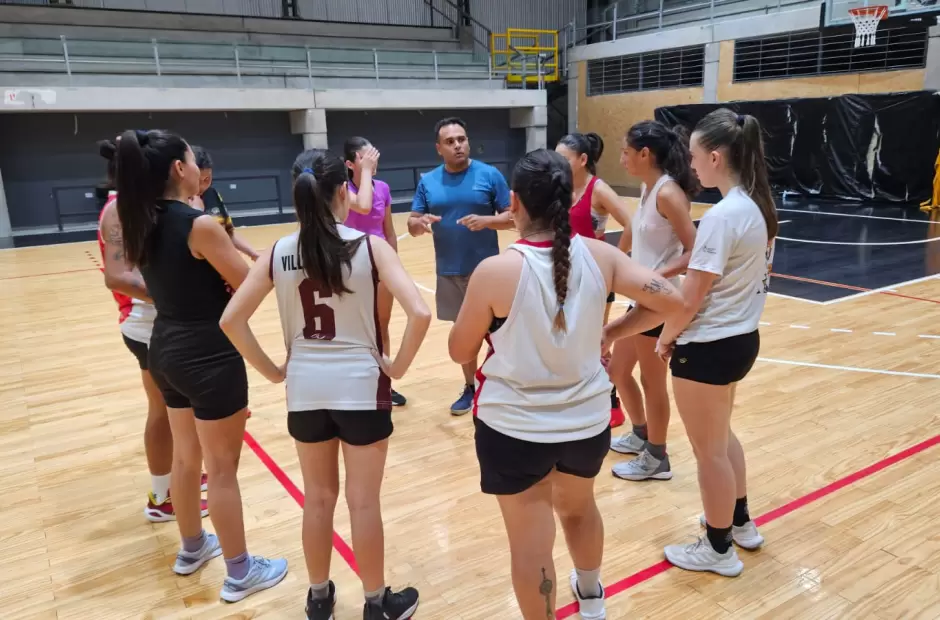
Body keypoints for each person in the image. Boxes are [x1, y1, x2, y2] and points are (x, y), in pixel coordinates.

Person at [449, 149, 685, 619]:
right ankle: (593, 598)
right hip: (585, 422)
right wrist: (614, 330)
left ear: (513, 202)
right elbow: (673, 300)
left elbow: (459, 351)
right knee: (579, 510)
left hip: (513, 429)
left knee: (530, 544)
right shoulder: (602, 256)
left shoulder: (495, 272)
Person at [220, 148, 431, 620]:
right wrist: (397, 368)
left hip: (306, 389)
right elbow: (420, 311)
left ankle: (318, 599)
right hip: (361, 386)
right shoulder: (369, 246)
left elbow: (231, 320)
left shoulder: (277, 251)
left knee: (317, 500)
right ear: (343, 191)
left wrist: (274, 371)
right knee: (363, 502)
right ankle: (376, 604)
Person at [114, 129, 287, 600]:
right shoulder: (199, 225)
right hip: (208, 353)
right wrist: (269, 260)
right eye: (193, 160)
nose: (198, 169)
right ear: (179, 168)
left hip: (164, 348)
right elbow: (248, 286)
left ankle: (192, 548)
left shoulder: (139, 219)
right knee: (223, 467)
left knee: (186, 459)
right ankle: (240, 571)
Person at [613, 108, 775, 577]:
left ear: (717, 156)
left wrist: (664, 338)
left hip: (709, 346)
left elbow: (689, 296)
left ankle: (718, 547)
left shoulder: (724, 217)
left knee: (709, 453)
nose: (692, 163)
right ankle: (741, 523)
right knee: (721, 439)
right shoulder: (757, 206)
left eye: (695, 155)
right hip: (741, 339)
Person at [96, 137, 209, 522]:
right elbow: (116, 276)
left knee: (180, 409)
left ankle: (185, 478)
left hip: (174, 322)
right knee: (162, 410)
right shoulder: (119, 211)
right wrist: (170, 294)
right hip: (147, 326)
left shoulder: (160, 207)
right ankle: (162, 497)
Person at [608, 121, 699, 483]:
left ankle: (657, 457)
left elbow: (695, 251)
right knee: (617, 372)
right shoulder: (649, 190)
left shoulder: (668, 193)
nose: (622, 158)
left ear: (645, 154)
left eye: (626, 152)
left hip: (659, 303)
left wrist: (657, 277)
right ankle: (642, 433)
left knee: (652, 381)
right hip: (640, 300)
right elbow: (637, 239)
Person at [409, 117, 514, 415]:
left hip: (488, 273)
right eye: (450, 141)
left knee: (499, 333)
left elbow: (513, 217)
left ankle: (504, 385)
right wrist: (419, 223)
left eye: (462, 139)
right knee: (465, 334)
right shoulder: (428, 181)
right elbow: (412, 222)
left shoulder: (490, 175)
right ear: (438, 148)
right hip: (449, 270)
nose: (458, 145)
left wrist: (487, 221)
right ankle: (471, 386)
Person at [555, 132, 635, 429]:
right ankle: (580, 397)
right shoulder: (561, 187)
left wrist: (617, 259)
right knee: (570, 339)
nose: (558, 164)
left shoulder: (598, 190)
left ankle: (610, 400)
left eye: (564, 159)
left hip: (594, 279)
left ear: (583, 160)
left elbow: (631, 223)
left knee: (595, 341)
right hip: (564, 274)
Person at [343, 136, 407, 407]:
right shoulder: (342, 190)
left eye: (374, 157)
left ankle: (384, 382)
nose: (372, 161)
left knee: (381, 325)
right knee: (352, 327)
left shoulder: (383, 188)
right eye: (364, 158)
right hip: (350, 268)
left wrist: (394, 267)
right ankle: (354, 384)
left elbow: (389, 231)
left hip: (380, 266)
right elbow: (362, 205)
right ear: (350, 163)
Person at [190, 145, 260, 262]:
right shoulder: (177, 203)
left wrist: (253, 254)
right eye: (197, 180)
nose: (202, 186)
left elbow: (228, 233)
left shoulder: (213, 194)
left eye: (207, 179)